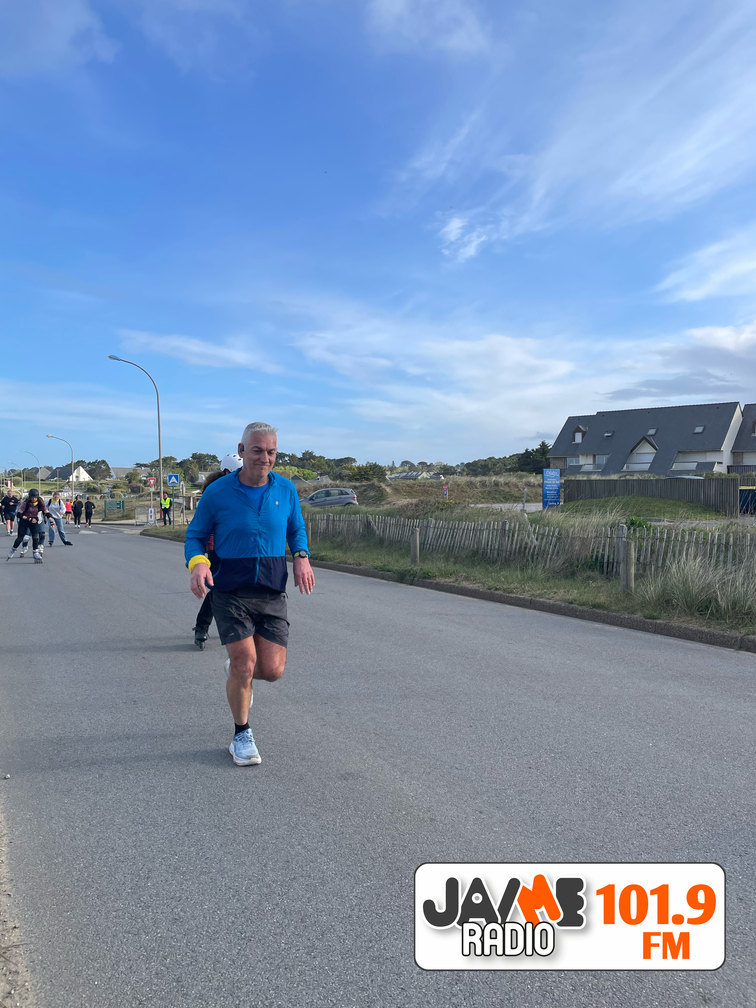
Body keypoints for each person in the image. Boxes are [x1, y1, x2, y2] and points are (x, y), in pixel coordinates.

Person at [186, 422, 314, 766]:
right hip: (230, 590)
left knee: (271, 670)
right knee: (245, 665)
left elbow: (296, 528)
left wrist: (301, 556)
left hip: (271, 590)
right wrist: (198, 564)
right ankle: (241, 735)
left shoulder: (285, 489)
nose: (264, 458)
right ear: (242, 451)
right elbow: (195, 535)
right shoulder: (218, 492)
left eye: (271, 452)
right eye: (257, 450)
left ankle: (238, 670)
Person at [192, 453, 243, 649]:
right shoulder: (214, 491)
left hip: (236, 545)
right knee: (218, 587)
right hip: (216, 545)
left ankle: (242, 625)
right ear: (227, 471)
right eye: (237, 471)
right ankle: (201, 627)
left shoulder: (238, 487)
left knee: (240, 585)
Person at [7, 489, 49, 563]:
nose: (34, 499)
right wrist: (29, 519)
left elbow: (46, 512)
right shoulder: (26, 503)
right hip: (24, 521)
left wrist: (51, 521)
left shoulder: (40, 502)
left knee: (35, 537)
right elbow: (19, 514)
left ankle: (35, 552)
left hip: (34, 521)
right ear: (30, 497)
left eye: (35, 497)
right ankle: (13, 550)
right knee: (20, 539)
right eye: (32, 497)